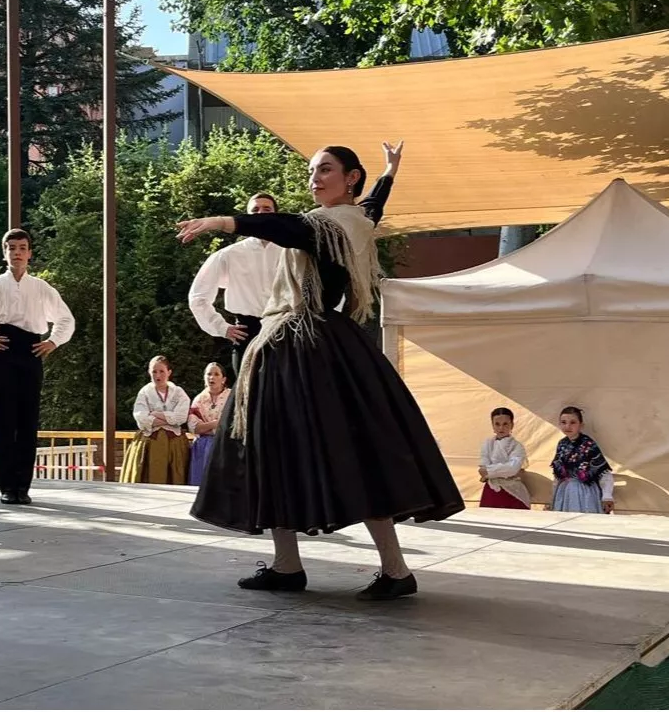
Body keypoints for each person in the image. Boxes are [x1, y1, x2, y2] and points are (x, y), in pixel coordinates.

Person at [175, 141, 461, 601]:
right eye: (312, 171)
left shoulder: (327, 225)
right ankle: (294, 565)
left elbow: (287, 227)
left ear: (350, 178)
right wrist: (390, 173)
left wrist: (223, 222)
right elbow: (374, 205)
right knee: (284, 452)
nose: (314, 178)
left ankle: (388, 570)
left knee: (338, 451)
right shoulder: (356, 219)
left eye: (325, 170)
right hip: (307, 345)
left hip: (303, 346)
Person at [0, 229, 75, 505]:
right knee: (5, 419)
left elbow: (66, 319)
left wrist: (53, 341)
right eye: (11, 248)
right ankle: (8, 486)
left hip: (32, 351)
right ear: (4, 253)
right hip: (5, 351)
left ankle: (23, 486)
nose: (17, 253)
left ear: (30, 253)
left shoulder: (41, 287)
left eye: (22, 248)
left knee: (28, 420)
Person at [187, 193, 282, 378]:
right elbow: (198, 296)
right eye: (255, 210)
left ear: (276, 215)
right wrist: (222, 327)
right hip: (246, 333)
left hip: (285, 330)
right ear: (246, 217)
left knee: (287, 391)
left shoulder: (293, 252)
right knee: (248, 392)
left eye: (266, 209)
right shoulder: (229, 255)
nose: (260, 213)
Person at [123, 356, 193, 485]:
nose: (158, 375)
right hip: (149, 442)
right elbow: (141, 417)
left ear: (169, 372)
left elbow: (181, 417)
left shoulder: (178, 392)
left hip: (174, 443)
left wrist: (156, 414)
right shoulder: (144, 392)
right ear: (149, 372)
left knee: (176, 479)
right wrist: (170, 419)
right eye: (154, 371)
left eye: (161, 371)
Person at [549, 406, 614, 514]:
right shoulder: (562, 444)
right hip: (564, 491)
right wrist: (552, 497)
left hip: (584, 492)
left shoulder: (589, 445)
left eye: (573, 422)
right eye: (563, 422)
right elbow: (557, 475)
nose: (567, 426)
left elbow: (603, 472)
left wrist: (607, 496)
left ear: (581, 425)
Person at [186, 362, 230, 487]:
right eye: (209, 374)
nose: (212, 377)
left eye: (216, 374)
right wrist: (216, 423)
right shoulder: (198, 399)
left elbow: (232, 423)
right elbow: (194, 427)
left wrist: (207, 427)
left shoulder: (231, 397)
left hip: (225, 444)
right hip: (202, 446)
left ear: (223, 379)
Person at [478, 407, 530, 509]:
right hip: (491, 489)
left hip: (512, 491)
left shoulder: (517, 446)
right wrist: (500, 470)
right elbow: (483, 465)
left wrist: (489, 471)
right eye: (497, 424)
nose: (501, 428)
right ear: (492, 425)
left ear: (512, 425)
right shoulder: (487, 443)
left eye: (505, 424)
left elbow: (512, 468)